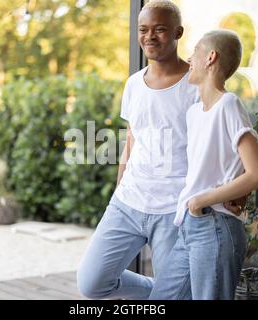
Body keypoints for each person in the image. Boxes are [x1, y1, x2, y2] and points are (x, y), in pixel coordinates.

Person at [77, 1, 245, 300]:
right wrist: (120, 187)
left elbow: (227, 138)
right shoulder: (133, 85)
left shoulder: (197, 84)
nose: (150, 36)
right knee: (92, 283)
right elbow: (132, 139)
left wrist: (237, 189)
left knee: (173, 296)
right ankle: (157, 293)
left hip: (174, 210)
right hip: (128, 203)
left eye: (160, 30)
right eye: (143, 29)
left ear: (178, 33)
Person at [148, 30, 258, 300]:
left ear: (210, 57)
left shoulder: (228, 104)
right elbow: (218, 164)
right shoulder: (193, 113)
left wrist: (201, 200)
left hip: (214, 224)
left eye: (195, 53)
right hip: (189, 226)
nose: (189, 59)